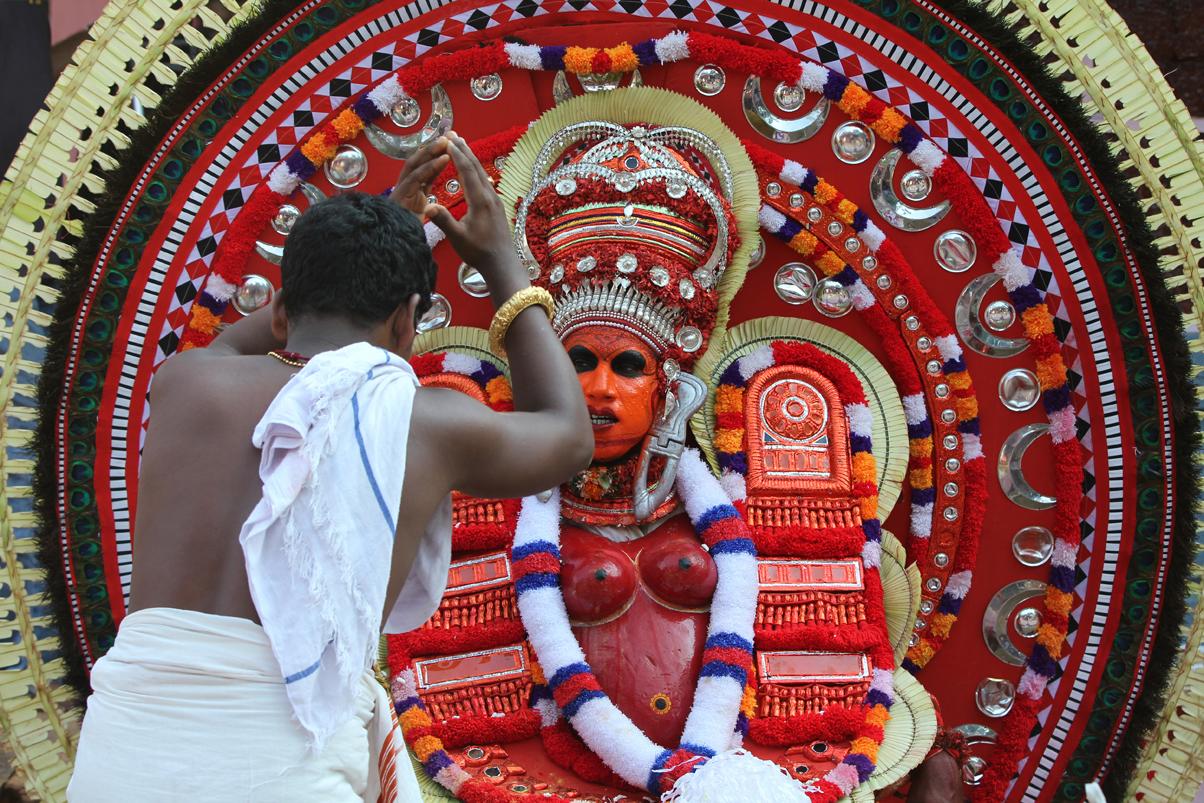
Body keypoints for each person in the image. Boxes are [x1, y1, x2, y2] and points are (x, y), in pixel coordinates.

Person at [66, 133, 593, 801]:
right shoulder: (424, 422)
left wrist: (363, 240)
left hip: (122, 761)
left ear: (281, 307)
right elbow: (569, 435)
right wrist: (501, 265)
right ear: (408, 324)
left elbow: (268, 331)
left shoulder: (188, 381)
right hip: (285, 768)